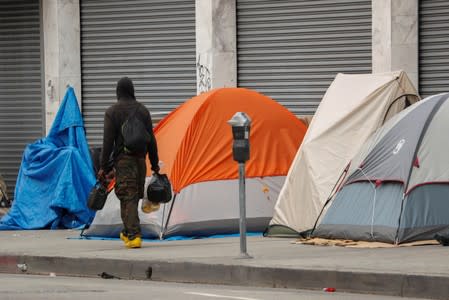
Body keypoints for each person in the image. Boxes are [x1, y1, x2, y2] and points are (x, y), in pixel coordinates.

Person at [98, 77, 159, 249]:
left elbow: (107, 142)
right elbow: (151, 140)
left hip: (124, 161)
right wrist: (154, 164)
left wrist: (103, 166)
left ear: (118, 92)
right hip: (140, 160)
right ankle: (127, 232)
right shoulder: (143, 110)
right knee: (132, 196)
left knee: (128, 196)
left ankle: (134, 236)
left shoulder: (112, 112)